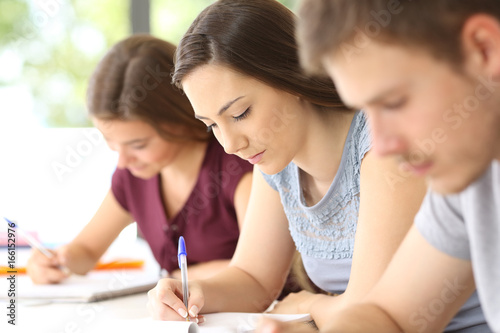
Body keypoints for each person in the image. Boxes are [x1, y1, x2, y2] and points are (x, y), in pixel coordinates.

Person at [144, 0, 458, 329]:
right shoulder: (274, 159)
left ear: (291, 76)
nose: (230, 145)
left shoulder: (383, 146)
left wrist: (308, 304)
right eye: (212, 125)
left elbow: (371, 311)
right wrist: (193, 291)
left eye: (240, 114)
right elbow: (253, 279)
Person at [255, 0, 500, 332]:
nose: (382, 145)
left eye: (393, 103)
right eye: (366, 111)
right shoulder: (472, 177)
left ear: (484, 49)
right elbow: (391, 316)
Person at [26, 35, 253, 284]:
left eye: (138, 145)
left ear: (182, 119)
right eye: (110, 142)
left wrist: (174, 277)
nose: (122, 161)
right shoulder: (133, 176)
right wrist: (58, 260)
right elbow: (87, 251)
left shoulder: (239, 166)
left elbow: (259, 273)